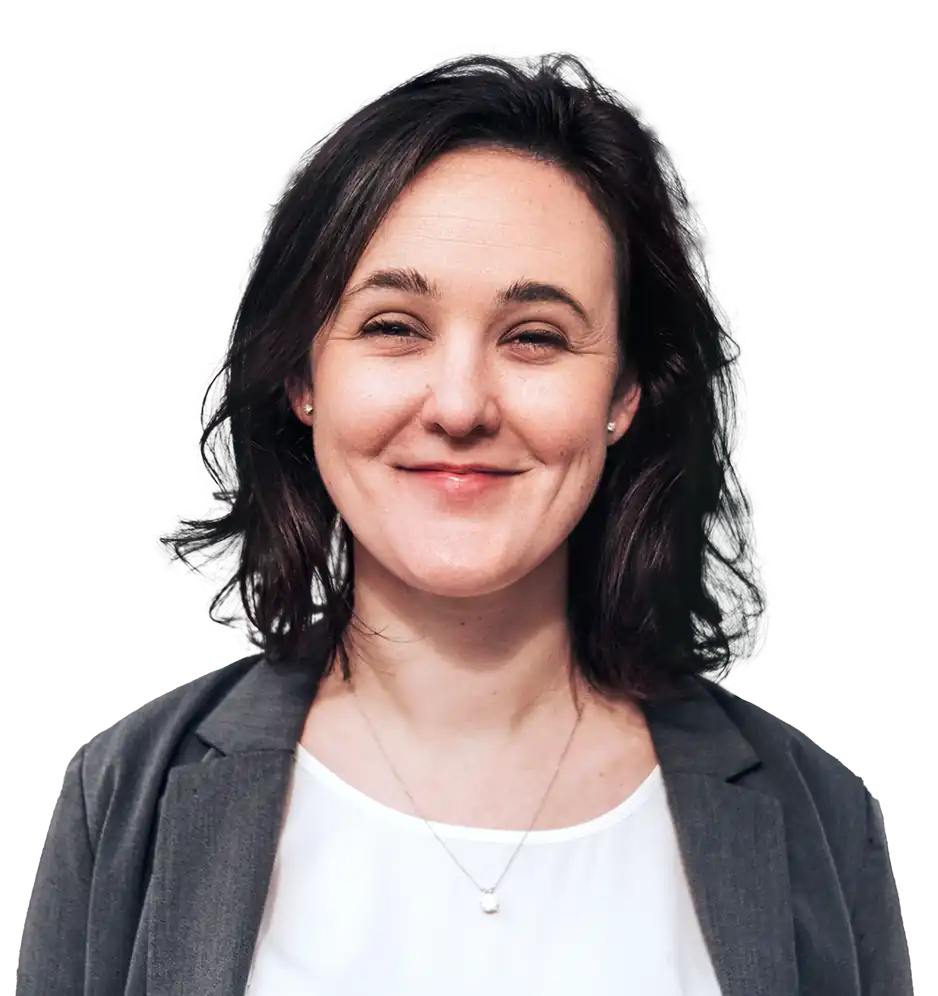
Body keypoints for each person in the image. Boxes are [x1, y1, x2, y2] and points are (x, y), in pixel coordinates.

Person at [18, 45, 911, 995]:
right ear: (301, 376)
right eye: (393, 326)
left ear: (626, 394)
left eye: (535, 338)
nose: (459, 405)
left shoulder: (814, 814)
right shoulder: (124, 796)